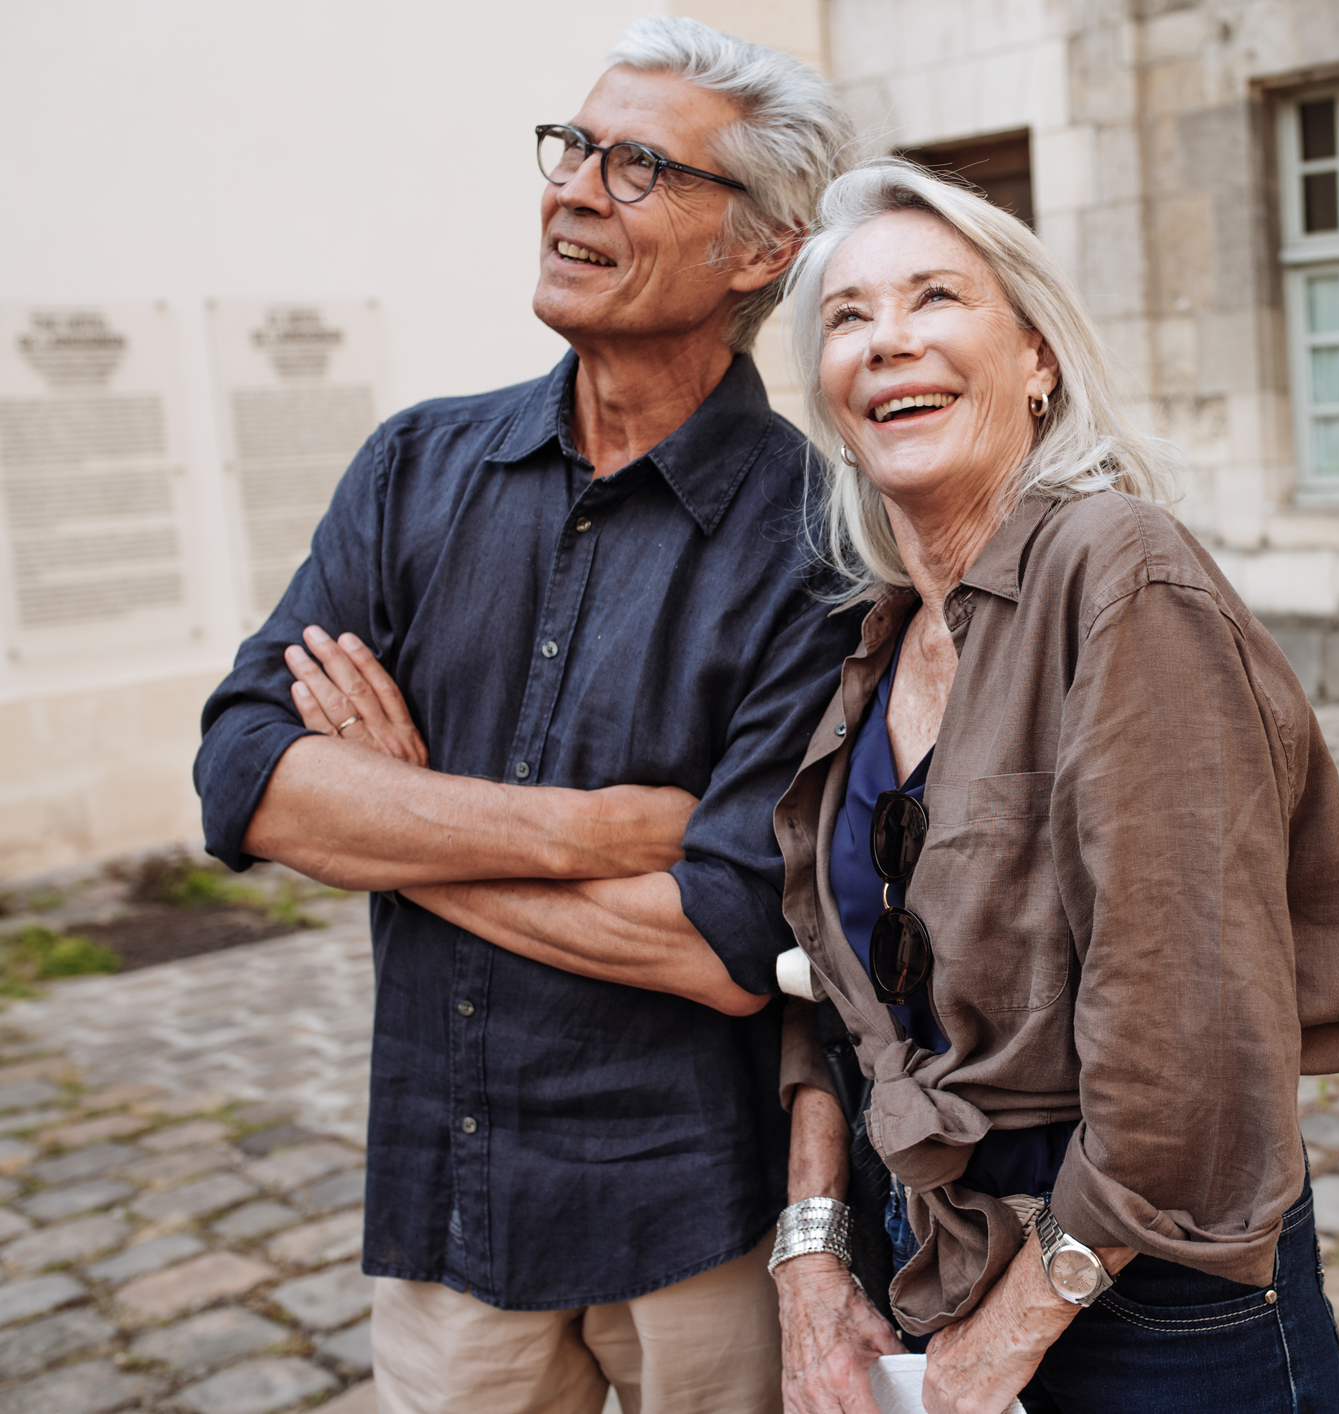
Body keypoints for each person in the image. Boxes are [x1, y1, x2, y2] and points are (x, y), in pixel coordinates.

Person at [193, 19, 856, 1414]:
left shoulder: (815, 543)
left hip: (689, 1218)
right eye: (571, 148)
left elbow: (725, 940)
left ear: (759, 249)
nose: (572, 189)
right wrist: (595, 831)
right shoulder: (416, 465)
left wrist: (389, 817)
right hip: (447, 1194)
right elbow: (245, 773)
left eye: (638, 167)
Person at [764, 161, 1339, 1414]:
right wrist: (814, 1247)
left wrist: (1012, 1331)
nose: (887, 342)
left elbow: (1192, 1032)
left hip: (1145, 1291)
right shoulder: (879, 638)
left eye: (935, 298)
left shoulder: (1118, 574)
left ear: (1036, 360)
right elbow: (834, 995)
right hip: (926, 1249)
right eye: (846, 316)